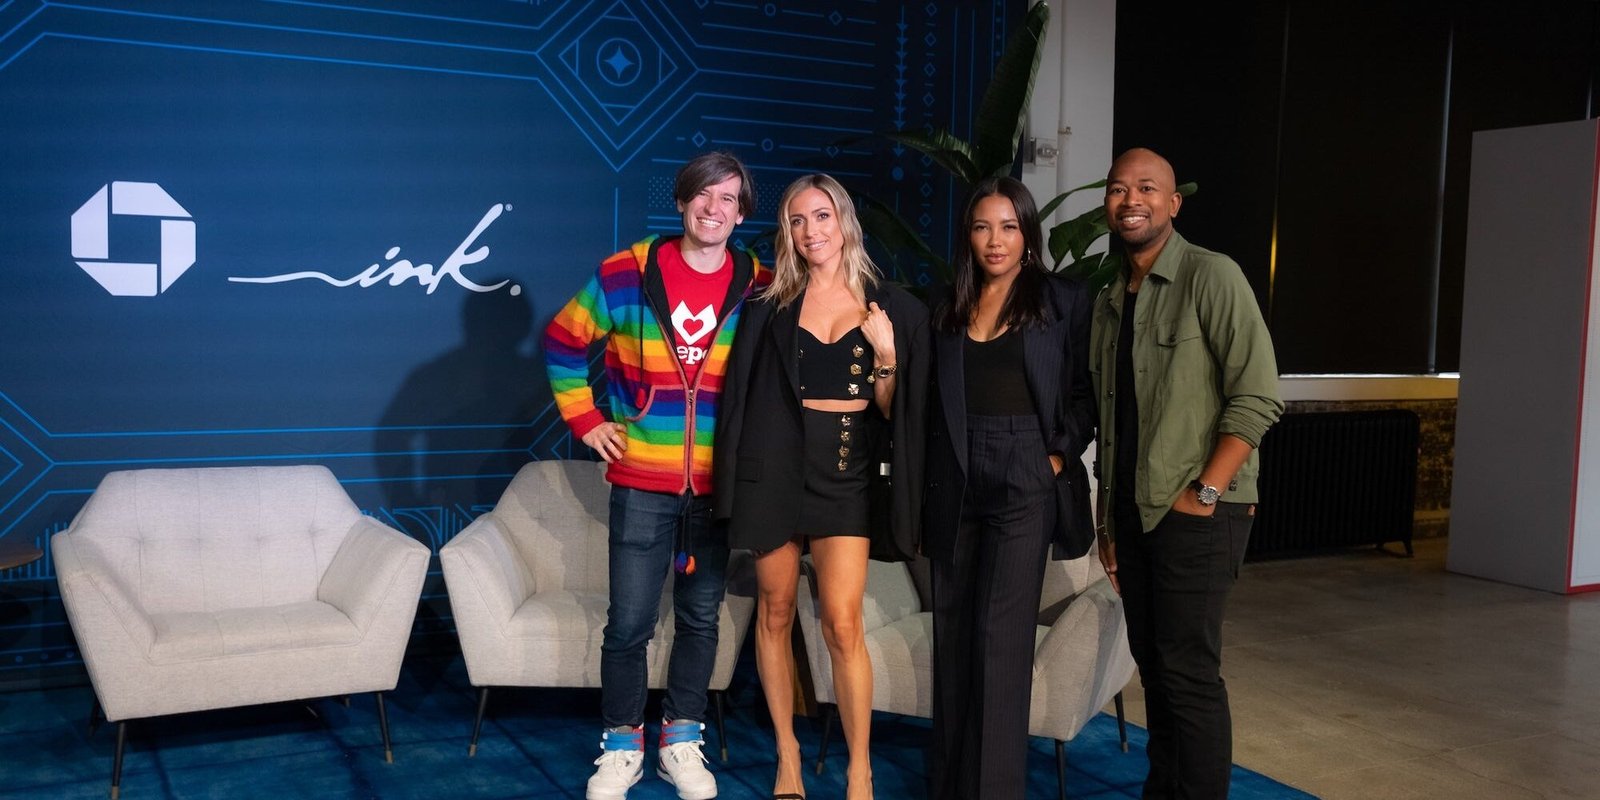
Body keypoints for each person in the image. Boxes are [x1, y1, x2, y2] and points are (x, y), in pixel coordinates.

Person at [544, 151, 767, 800]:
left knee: (701, 619)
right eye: (703, 194)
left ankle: (680, 740)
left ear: (741, 214)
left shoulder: (759, 281)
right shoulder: (628, 271)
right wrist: (587, 420)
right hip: (643, 478)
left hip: (718, 487)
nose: (714, 208)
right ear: (681, 201)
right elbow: (563, 340)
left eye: (728, 199)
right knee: (630, 624)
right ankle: (621, 746)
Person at [714, 173, 929, 800]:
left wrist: (886, 356)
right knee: (775, 612)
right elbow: (740, 401)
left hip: (847, 479)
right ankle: (787, 754)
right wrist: (731, 487)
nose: (811, 231)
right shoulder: (769, 307)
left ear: (845, 221)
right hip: (775, 476)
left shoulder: (891, 306)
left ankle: (860, 769)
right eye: (797, 220)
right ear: (787, 232)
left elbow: (896, 412)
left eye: (822, 216)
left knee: (841, 623)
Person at [1092, 147, 1283, 799]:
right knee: (1156, 670)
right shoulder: (1110, 298)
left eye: (1147, 188)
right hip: (1133, 512)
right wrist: (1109, 526)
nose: (1131, 200)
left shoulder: (1212, 276)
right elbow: (1113, 421)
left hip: (1200, 510)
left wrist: (1205, 491)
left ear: (1173, 203)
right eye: (1119, 189)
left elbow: (1258, 393)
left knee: (1189, 675)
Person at [922, 176, 1096, 799]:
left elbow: (1085, 394)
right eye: (981, 227)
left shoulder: (1064, 300)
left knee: (1000, 638)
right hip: (956, 473)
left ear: (1028, 233)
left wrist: (1054, 457)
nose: (994, 241)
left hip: (1026, 472)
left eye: (1008, 227)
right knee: (954, 634)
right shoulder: (945, 306)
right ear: (967, 236)